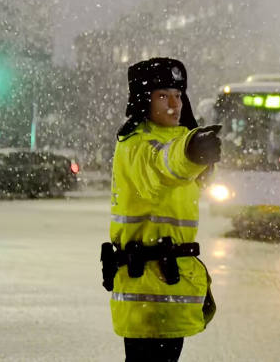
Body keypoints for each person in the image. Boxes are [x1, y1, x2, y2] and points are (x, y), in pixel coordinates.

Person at [100, 58, 221, 362]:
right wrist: (192, 151)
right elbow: (163, 165)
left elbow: (185, 168)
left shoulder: (177, 137)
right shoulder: (135, 144)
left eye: (179, 95)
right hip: (147, 290)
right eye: (163, 95)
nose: (174, 104)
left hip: (169, 286)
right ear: (144, 100)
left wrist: (195, 146)